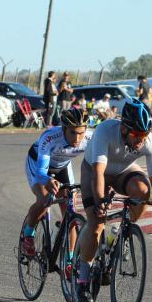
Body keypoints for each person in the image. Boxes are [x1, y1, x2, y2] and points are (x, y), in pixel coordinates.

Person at [76, 98, 152, 302]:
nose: (140, 140)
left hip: (123, 171)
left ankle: (121, 230)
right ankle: (83, 280)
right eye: (136, 135)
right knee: (96, 224)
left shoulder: (150, 142)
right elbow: (99, 173)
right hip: (94, 172)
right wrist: (100, 202)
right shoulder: (105, 131)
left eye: (144, 135)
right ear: (124, 129)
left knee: (143, 189)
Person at [21, 108, 93, 278]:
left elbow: (96, 166)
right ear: (63, 128)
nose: (77, 138)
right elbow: (40, 172)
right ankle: (28, 234)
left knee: (71, 213)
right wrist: (47, 181)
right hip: (39, 166)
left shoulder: (91, 138)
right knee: (45, 199)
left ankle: (68, 261)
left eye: (81, 133)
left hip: (62, 167)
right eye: (73, 133)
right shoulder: (50, 137)